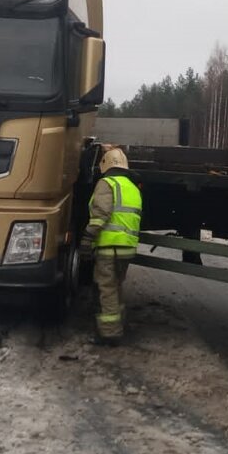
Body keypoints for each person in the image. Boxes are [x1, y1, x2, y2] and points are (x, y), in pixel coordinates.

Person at [80, 146, 142, 343]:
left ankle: (109, 333)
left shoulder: (106, 183)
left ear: (105, 165)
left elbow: (101, 214)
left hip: (109, 246)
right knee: (116, 286)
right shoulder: (132, 187)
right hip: (127, 248)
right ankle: (119, 324)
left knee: (106, 289)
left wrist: (87, 238)